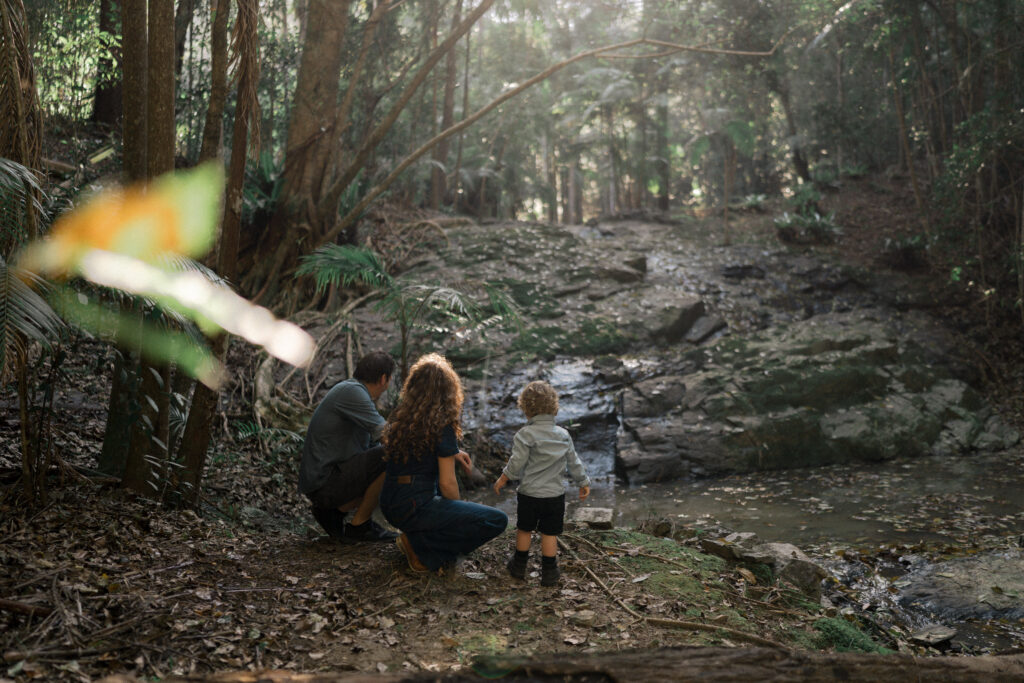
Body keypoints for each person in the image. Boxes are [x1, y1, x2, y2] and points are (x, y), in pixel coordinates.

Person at [379, 353, 508, 573]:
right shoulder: (442, 425)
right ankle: (423, 551)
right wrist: (456, 514)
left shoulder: (401, 416)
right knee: (497, 520)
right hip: (414, 507)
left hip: (391, 504)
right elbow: (448, 484)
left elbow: (419, 455)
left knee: (435, 487)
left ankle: (416, 538)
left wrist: (453, 452)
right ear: (448, 392)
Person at [493, 380, 591, 586]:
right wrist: (583, 481)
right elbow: (574, 462)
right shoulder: (563, 435)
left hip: (529, 493)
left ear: (526, 409)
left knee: (524, 529)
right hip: (554, 495)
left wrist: (504, 477)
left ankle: (519, 566)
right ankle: (550, 572)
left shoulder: (525, 434)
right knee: (550, 533)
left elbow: (516, 462)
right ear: (554, 407)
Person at [298, 350, 399, 543]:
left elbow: (373, 444)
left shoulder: (352, 391)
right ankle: (359, 526)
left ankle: (335, 513)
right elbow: (387, 437)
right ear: (384, 379)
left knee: (389, 460)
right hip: (325, 484)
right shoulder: (353, 392)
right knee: (392, 456)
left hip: (328, 481)